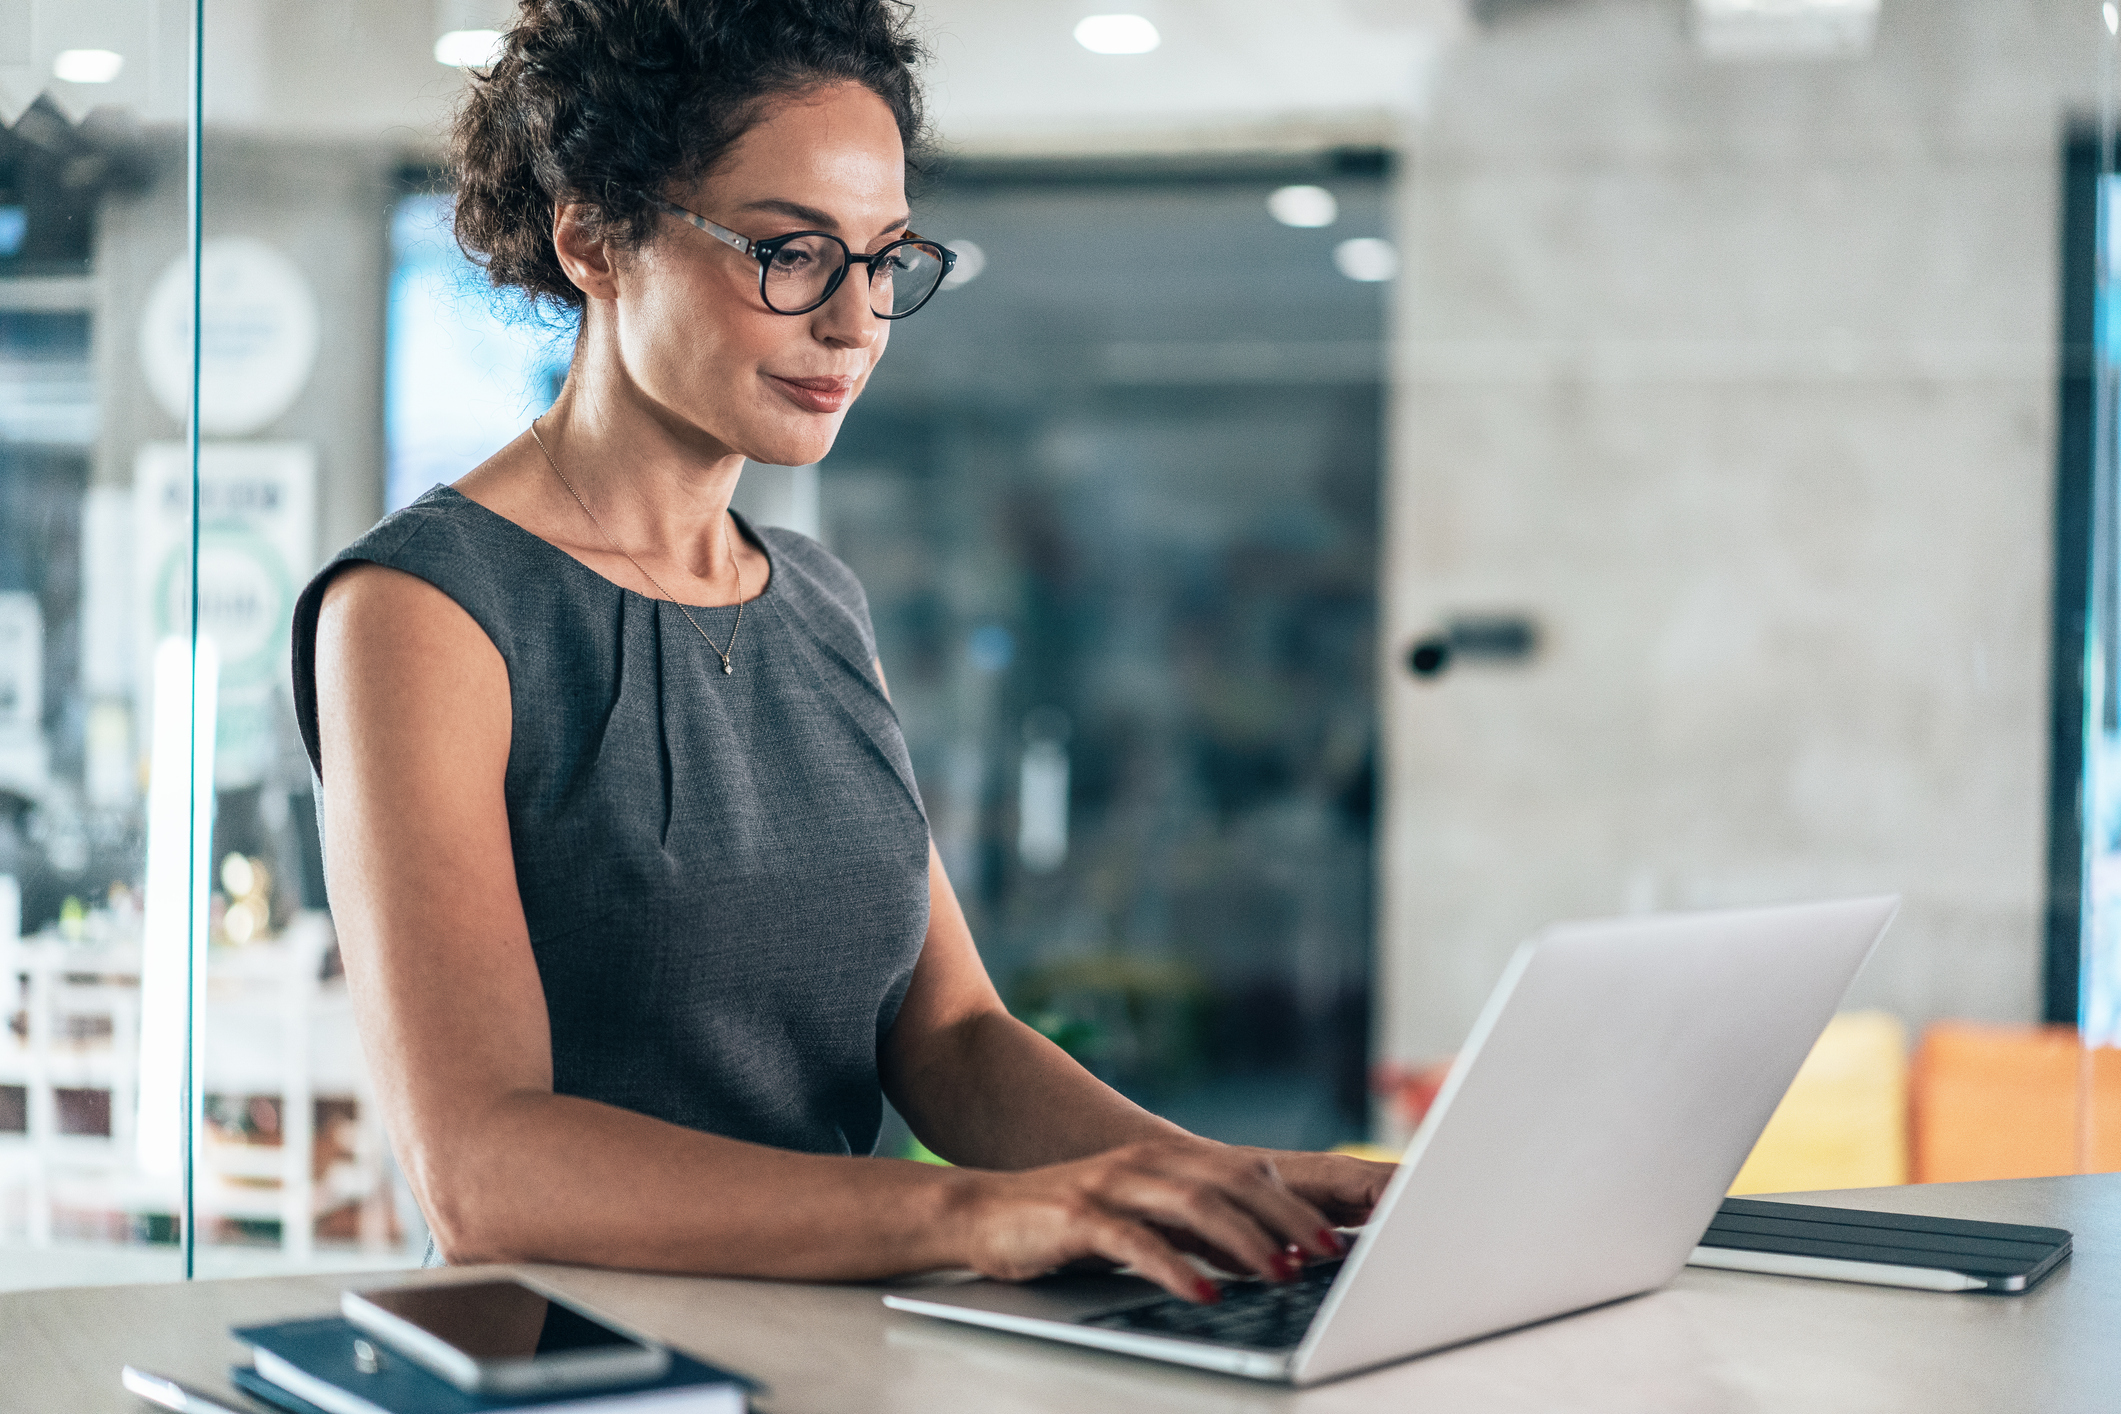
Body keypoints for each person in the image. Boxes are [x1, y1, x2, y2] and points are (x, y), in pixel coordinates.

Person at [292, 0, 1392, 1305]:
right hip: (584, 1370)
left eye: (883, 259)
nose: (855, 320)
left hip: (839, 1347)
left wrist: (1241, 1196)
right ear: (595, 239)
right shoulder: (422, 609)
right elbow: (483, 1172)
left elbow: (952, 1034)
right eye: (789, 251)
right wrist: (978, 1215)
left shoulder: (810, 594)